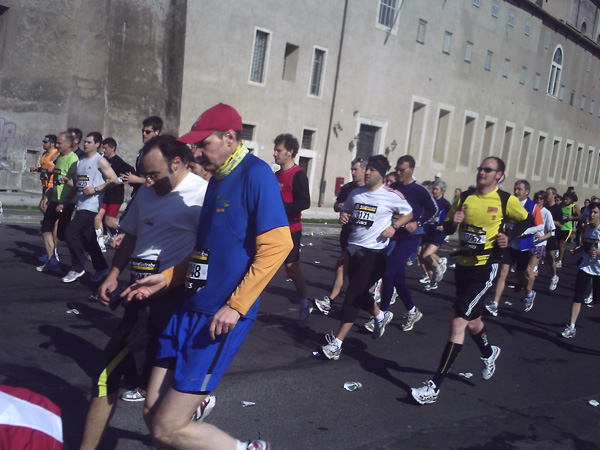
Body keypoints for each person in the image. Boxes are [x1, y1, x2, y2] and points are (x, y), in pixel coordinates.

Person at [120, 103, 292, 450]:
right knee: (153, 413)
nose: (196, 152)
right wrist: (167, 278)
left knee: (166, 428)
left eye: (203, 144)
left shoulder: (255, 174)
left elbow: (278, 245)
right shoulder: (217, 180)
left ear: (230, 138)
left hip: (218, 316)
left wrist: (236, 306)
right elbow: (206, 251)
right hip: (188, 307)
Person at [79, 135, 209, 450]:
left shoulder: (201, 196)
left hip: (170, 301)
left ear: (177, 163)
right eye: (145, 174)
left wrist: (171, 282)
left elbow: (208, 255)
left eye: (154, 175)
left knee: (111, 378)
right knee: (154, 402)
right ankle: (190, 409)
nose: (147, 182)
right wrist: (112, 275)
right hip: (136, 293)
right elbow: (133, 236)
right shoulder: (147, 194)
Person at [411, 157, 528, 405]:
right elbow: (449, 227)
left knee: (458, 322)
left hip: (486, 267)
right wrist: (453, 223)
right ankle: (488, 352)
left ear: (499, 175)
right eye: (480, 169)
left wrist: (509, 236)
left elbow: (527, 220)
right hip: (463, 266)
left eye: (488, 170)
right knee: (473, 319)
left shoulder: (506, 200)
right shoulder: (464, 198)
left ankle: (434, 386)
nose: (482, 172)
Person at [321, 155, 412, 360]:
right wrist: (343, 216)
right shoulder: (356, 193)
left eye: (372, 169)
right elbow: (345, 211)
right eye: (367, 168)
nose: (367, 172)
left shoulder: (391, 195)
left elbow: (409, 213)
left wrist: (394, 226)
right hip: (354, 249)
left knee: (352, 295)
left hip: (375, 253)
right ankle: (380, 316)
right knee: (361, 295)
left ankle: (337, 343)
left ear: (381, 173)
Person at [371, 155, 437, 333]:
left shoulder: (419, 190)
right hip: (394, 236)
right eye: (397, 169)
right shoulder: (393, 188)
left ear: (412, 170)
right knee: (398, 279)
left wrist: (418, 222)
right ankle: (412, 311)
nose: (399, 173)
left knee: (388, 272)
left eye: (403, 170)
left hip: (411, 237)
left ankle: (383, 313)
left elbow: (433, 209)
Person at [61, 132, 118, 283]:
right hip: (80, 205)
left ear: (97, 144)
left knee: (70, 233)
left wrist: (96, 189)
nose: (85, 144)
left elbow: (113, 180)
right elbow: (78, 184)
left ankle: (77, 267)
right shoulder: (80, 161)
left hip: (91, 206)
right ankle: (102, 267)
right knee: (89, 239)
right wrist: (67, 184)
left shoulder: (100, 161)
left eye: (89, 142)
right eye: (85, 142)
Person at [315, 157, 366, 316]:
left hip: (363, 237)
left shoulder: (371, 191)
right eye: (352, 169)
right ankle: (335, 302)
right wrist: (343, 210)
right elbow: (339, 205)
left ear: (365, 170)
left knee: (346, 268)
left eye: (356, 169)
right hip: (348, 233)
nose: (353, 172)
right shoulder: (349, 188)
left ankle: (375, 310)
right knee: (344, 268)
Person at [486, 180, 544, 316]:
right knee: (502, 273)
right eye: (515, 189)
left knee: (520, 274)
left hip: (523, 246)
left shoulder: (532, 206)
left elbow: (541, 226)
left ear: (526, 192)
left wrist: (522, 232)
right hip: (509, 244)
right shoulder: (510, 203)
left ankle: (530, 293)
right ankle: (495, 304)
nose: (516, 191)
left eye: (519, 189)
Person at [273, 133, 312, 327]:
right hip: (273, 229)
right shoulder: (276, 175)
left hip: (291, 229)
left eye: (278, 150)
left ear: (290, 152)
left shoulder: (298, 175)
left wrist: (285, 207)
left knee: (291, 270)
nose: (275, 154)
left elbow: (305, 202)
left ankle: (304, 303)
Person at [36, 132, 78, 273]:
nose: (57, 145)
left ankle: (79, 259)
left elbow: (75, 184)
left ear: (69, 144)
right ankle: (52, 260)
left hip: (67, 202)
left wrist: (65, 201)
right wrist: (47, 195)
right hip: (55, 199)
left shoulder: (73, 160)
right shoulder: (60, 158)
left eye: (60, 143)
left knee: (64, 234)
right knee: (46, 229)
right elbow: (55, 180)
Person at [561, 201, 600, 338]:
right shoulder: (588, 228)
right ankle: (571, 326)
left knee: (596, 299)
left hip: (599, 270)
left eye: (595, 212)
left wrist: (599, 252)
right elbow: (586, 244)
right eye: (591, 212)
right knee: (577, 296)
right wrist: (577, 249)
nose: (592, 214)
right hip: (586, 266)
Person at [93, 137, 135, 251]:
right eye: (103, 148)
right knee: (97, 218)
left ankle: (129, 230)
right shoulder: (103, 160)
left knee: (109, 222)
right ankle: (100, 243)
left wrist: (119, 180)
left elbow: (131, 172)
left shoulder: (118, 162)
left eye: (105, 148)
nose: (104, 150)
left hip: (115, 196)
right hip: (105, 195)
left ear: (113, 148)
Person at [418, 179, 451, 291]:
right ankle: (432, 281)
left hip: (438, 234)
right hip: (427, 231)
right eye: (433, 189)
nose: (434, 191)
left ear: (442, 191)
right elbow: (422, 214)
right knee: (420, 255)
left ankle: (439, 266)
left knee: (426, 255)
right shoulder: (429, 201)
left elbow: (452, 219)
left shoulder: (445, 204)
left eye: (436, 189)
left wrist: (445, 226)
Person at [545, 187, 563, 290]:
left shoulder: (557, 209)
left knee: (550, 257)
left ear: (554, 195)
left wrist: (550, 220)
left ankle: (554, 276)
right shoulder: (544, 207)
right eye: (546, 194)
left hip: (551, 235)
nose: (546, 196)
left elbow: (560, 224)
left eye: (548, 194)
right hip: (542, 234)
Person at [557, 192, 580, 268]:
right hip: (559, 227)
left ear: (570, 199)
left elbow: (580, 217)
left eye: (567, 199)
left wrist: (572, 218)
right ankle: (562, 254)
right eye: (564, 199)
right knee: (556, 244)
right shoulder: (561, 205)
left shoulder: (574, 207)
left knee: (561, 244)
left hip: (567, 228)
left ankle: (559, 261)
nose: (565, 201)